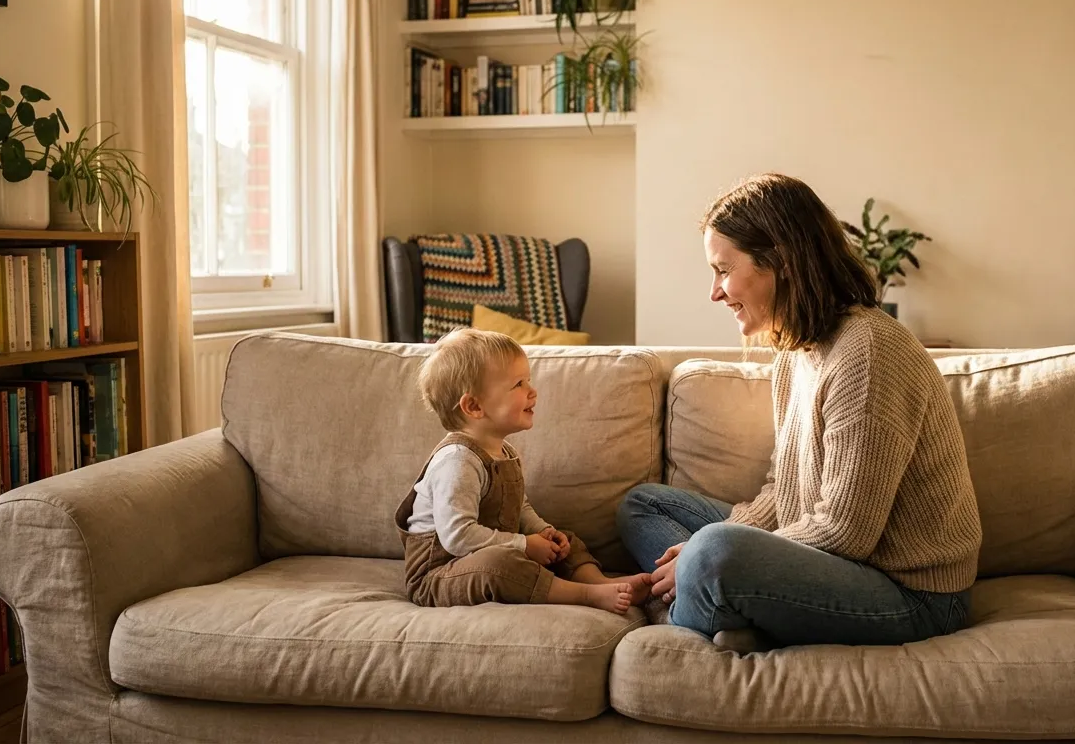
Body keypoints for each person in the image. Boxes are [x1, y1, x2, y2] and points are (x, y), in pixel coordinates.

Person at [616, 173, 982, 649]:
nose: (715, 292)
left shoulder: (868, 353)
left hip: (911, 594)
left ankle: (690, 610)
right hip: (832, 559)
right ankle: (724, 605)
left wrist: (705, 557)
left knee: (713, 551)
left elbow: (845, 532)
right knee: (646, 504)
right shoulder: (797, 351)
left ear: (780, 262)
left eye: (724, 270)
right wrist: (718, 548)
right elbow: (783, 489)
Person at [396, 328, 652, 614]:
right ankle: (585, 594)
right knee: (500, 566)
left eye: (528, 381)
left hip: (487, 550)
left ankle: (600, 582)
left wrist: (540, 531)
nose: (532, 391)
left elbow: (519, 506)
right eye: (519, 384)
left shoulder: (505, 452)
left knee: (565, 539)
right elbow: (457, 537)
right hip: (441, 574)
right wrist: (522, 544)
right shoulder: (458, 461)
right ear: (474, 405)